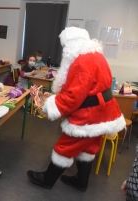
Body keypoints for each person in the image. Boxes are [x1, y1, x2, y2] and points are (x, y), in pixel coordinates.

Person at [27, 27, 125, 191]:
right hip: (104, 111)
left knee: (66, 146)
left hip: (89, 114)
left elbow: (74, 95)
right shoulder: (96, 56)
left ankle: (47, 180)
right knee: (89, 146)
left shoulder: (81, 62)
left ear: (71, 45)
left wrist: (51, 106)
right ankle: (81, 181)